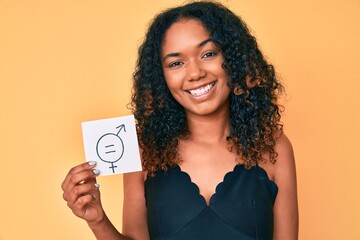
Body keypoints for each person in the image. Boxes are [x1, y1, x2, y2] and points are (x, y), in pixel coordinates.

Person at [61, 1, 298, 239]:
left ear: (234, 59)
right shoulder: (146, 152)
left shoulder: (274, 147)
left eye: (209, 54)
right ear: (161, 77)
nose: (195, 73)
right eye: (176, 63)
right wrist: (98, 221)